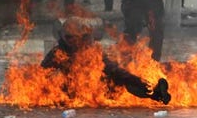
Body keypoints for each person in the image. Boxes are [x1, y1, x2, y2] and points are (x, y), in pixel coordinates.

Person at [41, 17, 171, 105]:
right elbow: (42, 74)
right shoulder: (58, 53)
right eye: (70, 37)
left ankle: (155, 93)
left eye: (77, 37)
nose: (74, 41)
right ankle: (153, 93)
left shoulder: (93, 52)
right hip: (73, 93)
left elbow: (113, 70)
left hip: (99, 90)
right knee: (121, 78)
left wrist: (139, 81)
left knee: (121, 79)